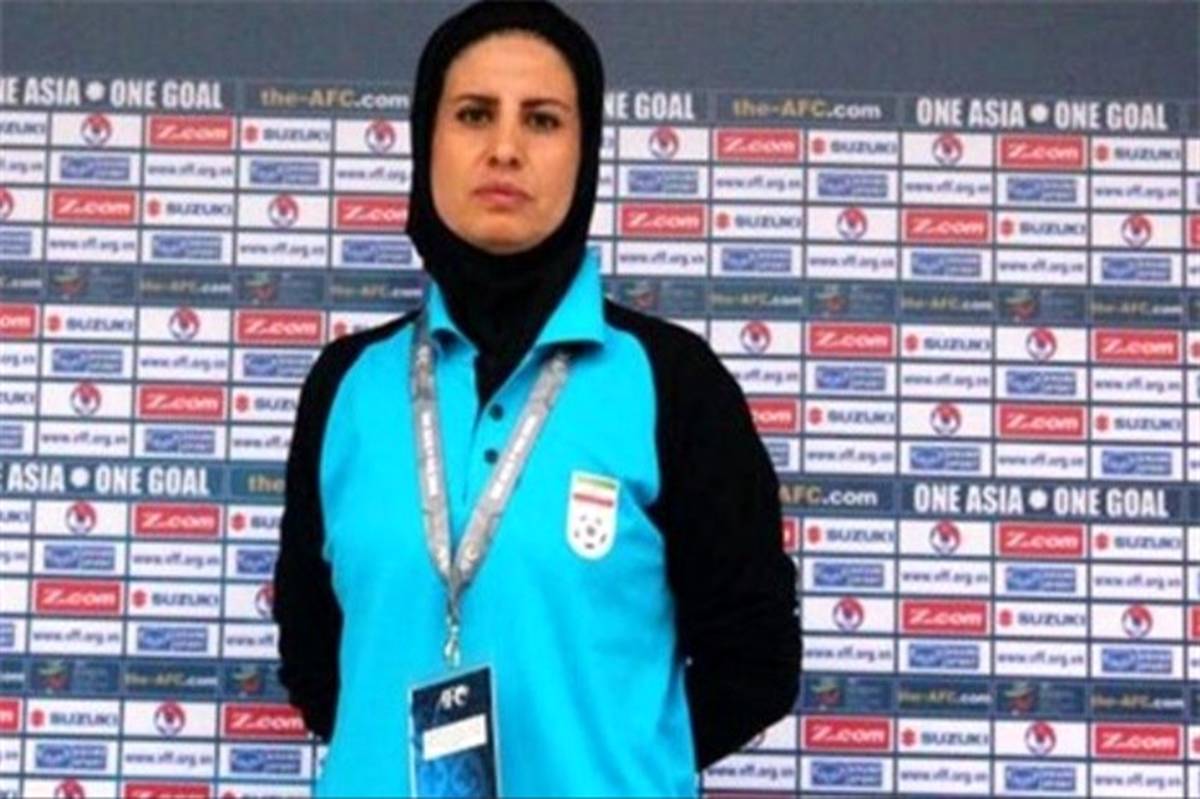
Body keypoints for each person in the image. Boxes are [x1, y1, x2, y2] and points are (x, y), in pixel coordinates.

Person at [271, 1, 799, 796]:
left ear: (586, 152)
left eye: (543, 120)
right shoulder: (347, 384)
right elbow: (315, 658)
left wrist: (611, 757)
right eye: (473, 114)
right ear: (426, 140)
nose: (505, 148)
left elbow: (755, 660)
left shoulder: (674, 383)